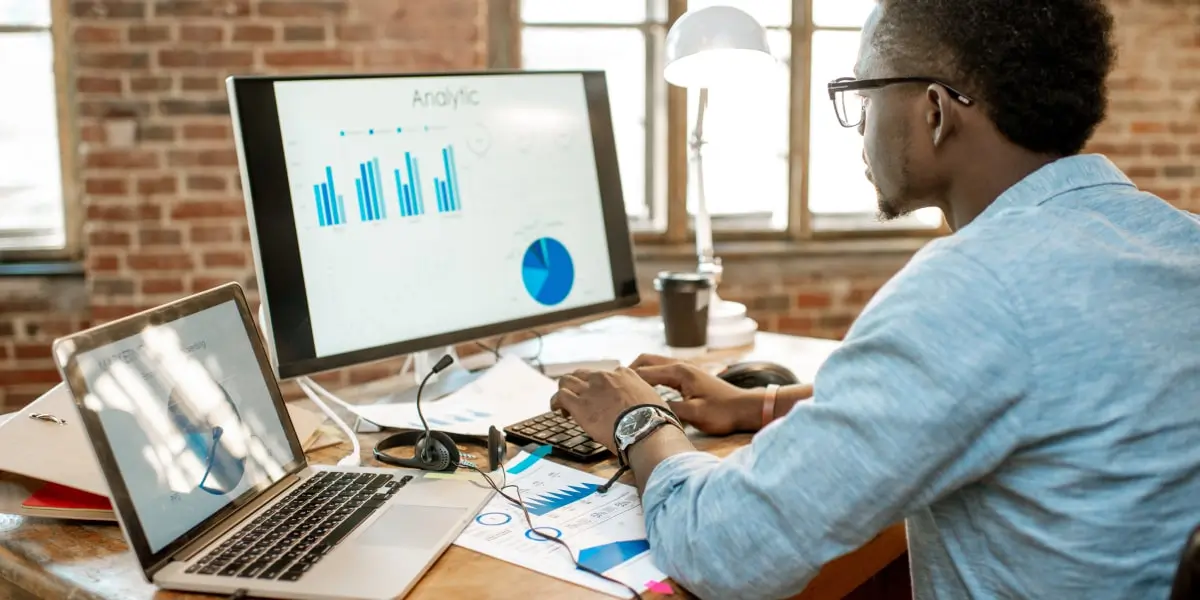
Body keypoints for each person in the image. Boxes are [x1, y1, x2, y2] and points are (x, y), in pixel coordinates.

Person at [550, 0, 1200, 598]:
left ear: (935, 111)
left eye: (862, 92)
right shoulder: (1176, 242)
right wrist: (765, 403)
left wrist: (638, 420)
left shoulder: (973, 286)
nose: (858, 121)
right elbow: (1033, 391)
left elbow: (725, 546)